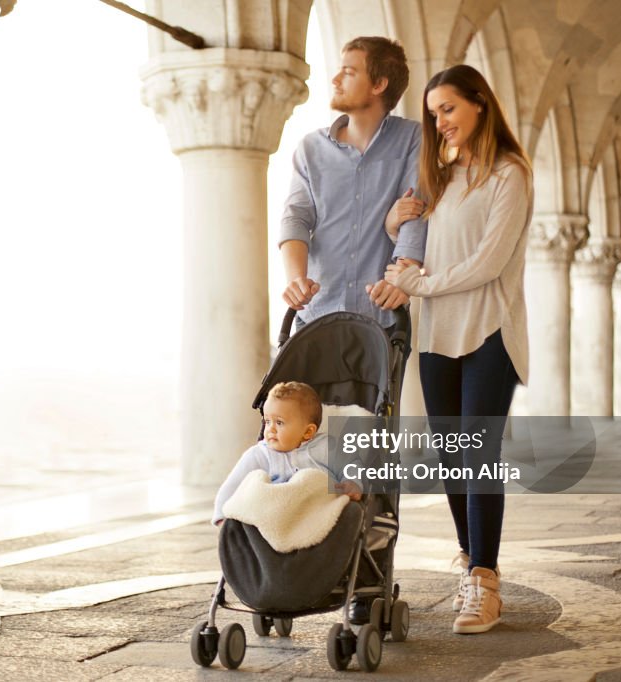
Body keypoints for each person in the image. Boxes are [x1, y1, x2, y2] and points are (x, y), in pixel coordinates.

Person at [384, 64, 533, 635]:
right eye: (432, 113)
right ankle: (471, 564)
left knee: (478, 455)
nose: (438, 121)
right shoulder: (438, 176)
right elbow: (413, 244)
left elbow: (488, 264)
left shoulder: (508, 175)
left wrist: (418, 283)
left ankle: (485, 583)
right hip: (437, 334)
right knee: (451, 458)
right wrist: (392, 220)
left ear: (478, 103)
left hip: (490, 331)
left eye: (447, 108)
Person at [279, 36, 427, 328]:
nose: (335, 79)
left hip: (382, 320)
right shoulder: (311, 148)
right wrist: (296, 279)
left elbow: (416, 216)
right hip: (316, 316)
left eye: (348, 72)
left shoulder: (413, 139)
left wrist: (403, 278)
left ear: (378, 85)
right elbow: (296, 216)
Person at [212, 382, 359, 525]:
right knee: (252, 512)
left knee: (351, 511)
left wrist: (352, 483)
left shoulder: (327, 447)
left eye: (279, 423)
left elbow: (352, 464)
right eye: (267, 421)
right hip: (276, 520)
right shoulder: (259, 455)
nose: (270, 429)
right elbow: (233, 486)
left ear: (308, 432)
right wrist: (222, 516)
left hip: (319, 514)